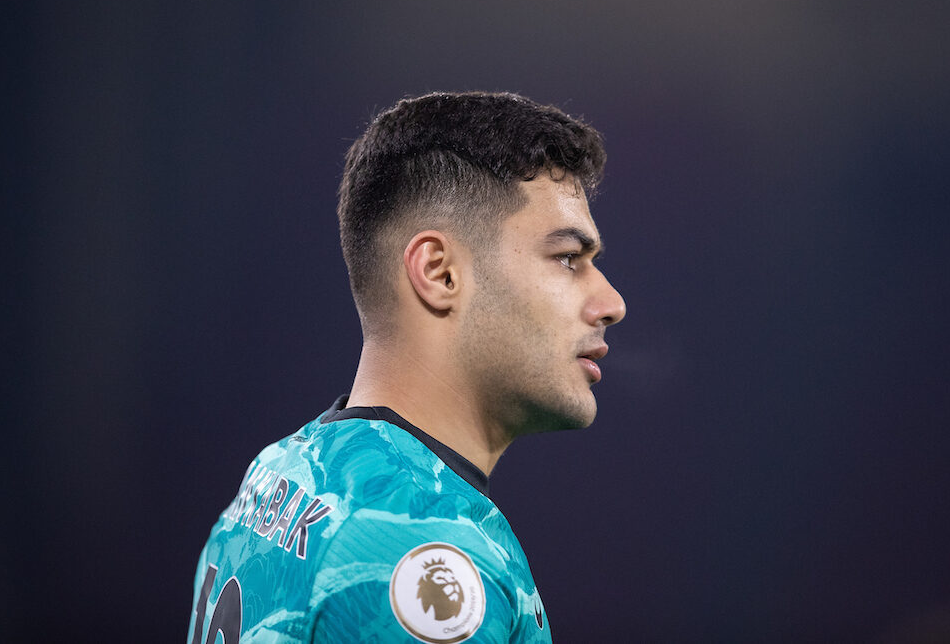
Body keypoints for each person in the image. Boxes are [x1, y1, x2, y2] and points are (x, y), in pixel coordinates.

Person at [188, 91, 626, 643]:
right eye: (568, 258)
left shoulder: (284, 471)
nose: (611, 302)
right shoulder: (419, 549)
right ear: (440, 273)